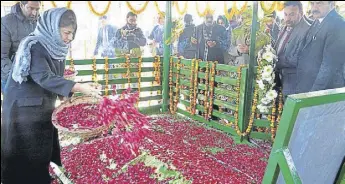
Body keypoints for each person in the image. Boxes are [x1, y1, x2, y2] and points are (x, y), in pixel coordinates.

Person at [1, 8, 101, 183]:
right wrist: (77, 87)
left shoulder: (55, 46)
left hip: (38, 103)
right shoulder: (35, 45)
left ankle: (39, 178)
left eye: (72, 33)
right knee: (24, 150)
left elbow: (55, 75)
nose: (70, 38)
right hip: (23, 108)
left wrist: (66, 92)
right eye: (66, 32)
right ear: (53, 28)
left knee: (40, 149)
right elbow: (43, 75)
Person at [296, 1, 345, 94]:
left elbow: (329, 66)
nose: (314, 8)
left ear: (332, 4)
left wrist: (313, 94)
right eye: (312, 3)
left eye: (319, 3)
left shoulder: (338, 25)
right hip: (308, 88)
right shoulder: (318, 21)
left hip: (323, 92)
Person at [1, 1, 41, 103]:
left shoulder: (40, 21)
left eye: (37, 9)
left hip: (34, 76)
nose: (34, 13)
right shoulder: (6, 22)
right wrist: (15, 77)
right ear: (21, 5)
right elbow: (2, 56)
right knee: (13, 110)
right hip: (11, 76)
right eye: (31, 8)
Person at [274, 1, 312, 100]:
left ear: (301, 13)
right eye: (285, 14)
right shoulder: (284, 27)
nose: (287, 18)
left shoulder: (308, 30)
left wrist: (275, 61)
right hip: (279, 79)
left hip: (294, 83)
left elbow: (299, 58)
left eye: (292, 14)